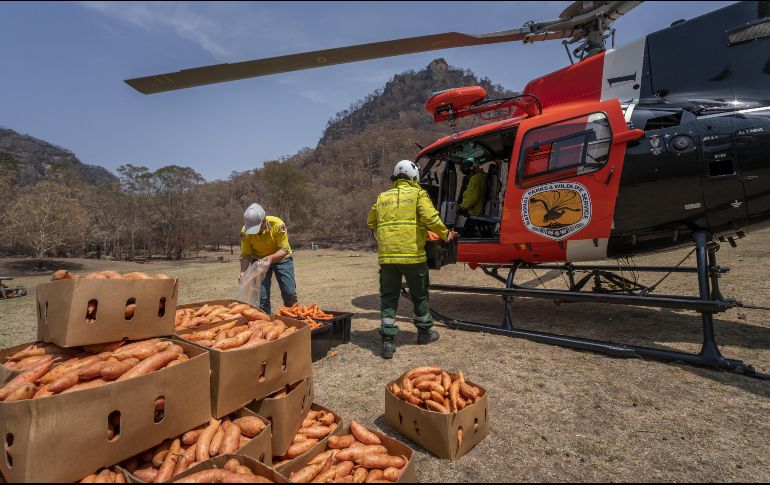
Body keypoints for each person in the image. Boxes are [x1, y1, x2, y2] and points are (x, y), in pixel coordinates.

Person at [367, 160, 454, 359]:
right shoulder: (418, 194)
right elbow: (431, 219)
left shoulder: (382, 197)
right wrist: (445, 234)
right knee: (420, 295)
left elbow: (370, 221)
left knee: (388, 297)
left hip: (388, 259)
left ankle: (387, 341)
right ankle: (424, 333)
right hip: (413, 257)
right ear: (414, 176)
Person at [239, 203, 298, 314]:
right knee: (262, 297)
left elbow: (284, 250)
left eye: (258, 228)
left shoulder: (278, 225)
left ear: (264, 220)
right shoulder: (245, 232)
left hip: (281, 258)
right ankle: (264, 321)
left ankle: (294, 318)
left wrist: (270, 258)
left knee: (289, 293)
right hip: (259, 261)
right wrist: (243, 271)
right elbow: (246, 254)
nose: (256, 232)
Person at [457, 157, 487, 236]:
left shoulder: (475, 178)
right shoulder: (482, 176)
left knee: (457, 216)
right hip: (480, 209)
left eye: (463, 168)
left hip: (474, 211)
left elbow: (472, 198)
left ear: (467, 168)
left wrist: (461, 206)